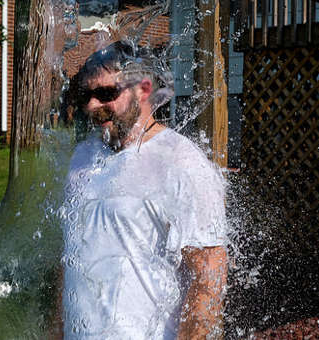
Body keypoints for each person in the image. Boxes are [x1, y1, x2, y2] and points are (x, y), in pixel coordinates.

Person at [58, 41, 229, 340]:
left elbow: (208, 276)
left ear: (144, 89)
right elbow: (69, 262)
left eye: (107, 93)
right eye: (87, 95)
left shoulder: (180, 161)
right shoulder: (81, 159)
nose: (92, 106)